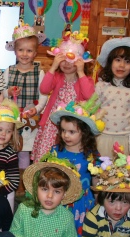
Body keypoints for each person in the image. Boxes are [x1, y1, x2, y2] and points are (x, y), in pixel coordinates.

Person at [48, 94, 104, 237]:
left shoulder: (90, 154)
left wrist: (99, 198)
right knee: (58, 226)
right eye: (63, 131)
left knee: (79, 226)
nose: (66, 135)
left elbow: (96, 178)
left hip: (82, 201)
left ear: (84, 133)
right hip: (60, 197)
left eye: (72, 132)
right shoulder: (56, 151)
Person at [33, 31, 95, 162]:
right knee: (47, 158)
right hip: (53, 126)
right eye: (63, 60)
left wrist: (80, 71)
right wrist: (54, 67)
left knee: (66, 157)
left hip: (73, 128)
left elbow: (89, 94)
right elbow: (44, 89)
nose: (67, 64)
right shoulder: (57, 77)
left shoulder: (85, 79)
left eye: (71, 61)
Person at [2, 23, 48, 193]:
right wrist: (8, 91)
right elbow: (1, 93)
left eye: (29, 51)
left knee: (24, 153)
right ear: (15, 51)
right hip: (12, 121)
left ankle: (22, 184)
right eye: (21, 50)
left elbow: (43, 94)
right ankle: (8, 181)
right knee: (9, 150)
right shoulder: (9, 70)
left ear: (35, 53)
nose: (25, 54)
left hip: (29, 122)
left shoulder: (39, 72)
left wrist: (38, 108)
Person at [95, 37, 130, 157]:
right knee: (100, 171)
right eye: (118, 60)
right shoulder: (101, 86)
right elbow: (93, 110)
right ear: (110, 62)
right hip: (102, 136)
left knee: (121, 172)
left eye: (127, 61)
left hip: (126, 138)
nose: (122, 65)